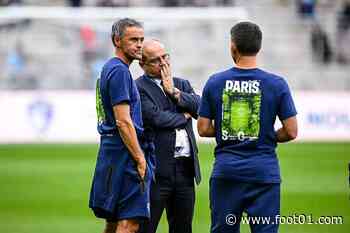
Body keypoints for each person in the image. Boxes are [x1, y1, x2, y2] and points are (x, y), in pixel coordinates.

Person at [197, 22, 298, 233]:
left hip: (227, 171)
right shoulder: (277, 84)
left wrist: (231, 128)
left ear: (232, 46)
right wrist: (266, 133)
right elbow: (291, 131)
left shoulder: (215, 82)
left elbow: (203, 129)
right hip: (263, 172)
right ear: (259, 47)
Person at [89, 18, 154, 233]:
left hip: (111, 152)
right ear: (117, 40)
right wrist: (139, 157)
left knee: (114, 220)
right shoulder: (120, 71)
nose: (139, 45)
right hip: (124, 154)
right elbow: (123, 121)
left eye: (141, 40)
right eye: (133, 39)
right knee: (130, 223)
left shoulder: (109, 68)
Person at [136, 39, 201, 233]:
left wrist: (174, 92)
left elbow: (200, 108)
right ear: (142, 65)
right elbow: (156, 119)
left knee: (182, 227)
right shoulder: (138, 87)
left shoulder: (181, 83)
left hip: (185, 169)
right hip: (157, 170)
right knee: (147, 227)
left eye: (165, 57)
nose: (163, 63)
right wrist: (184, 115)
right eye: (156, 60)